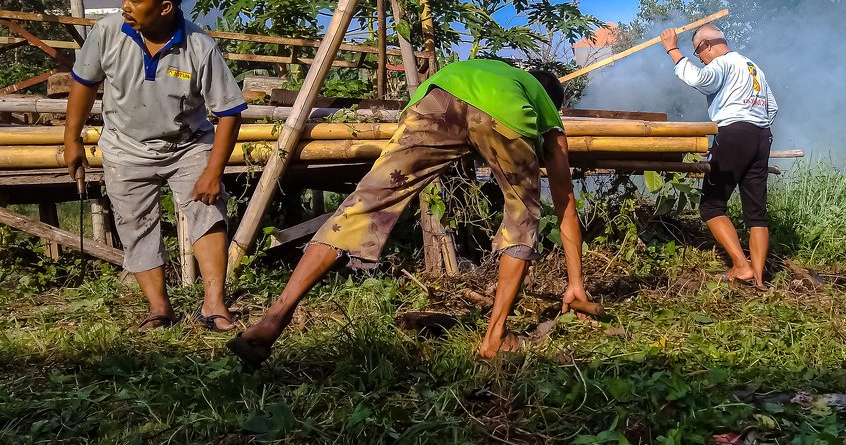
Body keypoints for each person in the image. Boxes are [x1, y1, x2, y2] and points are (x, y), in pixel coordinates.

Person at [227, 58, 589, 366]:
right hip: (504, 116)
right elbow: (565, 201)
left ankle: (273, 319)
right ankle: (495, 337)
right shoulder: (542, 101)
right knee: (521, 217)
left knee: (363, 205)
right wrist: (575, 283)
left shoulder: (477, 69)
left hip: (435, 100)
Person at [64, 0, 247, 331]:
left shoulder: (200, 47)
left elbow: (228, 112)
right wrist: (71, 139)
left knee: (207, 213)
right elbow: (84, 85)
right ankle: (159, 310)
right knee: (135, 224)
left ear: (165, 7)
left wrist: (213, 172)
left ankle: (214, 305)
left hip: (188, 145)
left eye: (134, 0)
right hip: (125, 146)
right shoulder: (107, 32)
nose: (124, 7)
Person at [660, 23, 777, 287]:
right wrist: (755, 125)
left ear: (707, 45)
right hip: (762, 135)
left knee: (712, 206)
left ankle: (741, 266)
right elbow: (773, 107)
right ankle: (758, 279)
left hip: (734, 133)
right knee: (756, 212)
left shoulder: (724, 62)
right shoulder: (752, 67)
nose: (701, 59)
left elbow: (699, 79)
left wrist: (673, 50)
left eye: (699, 54)